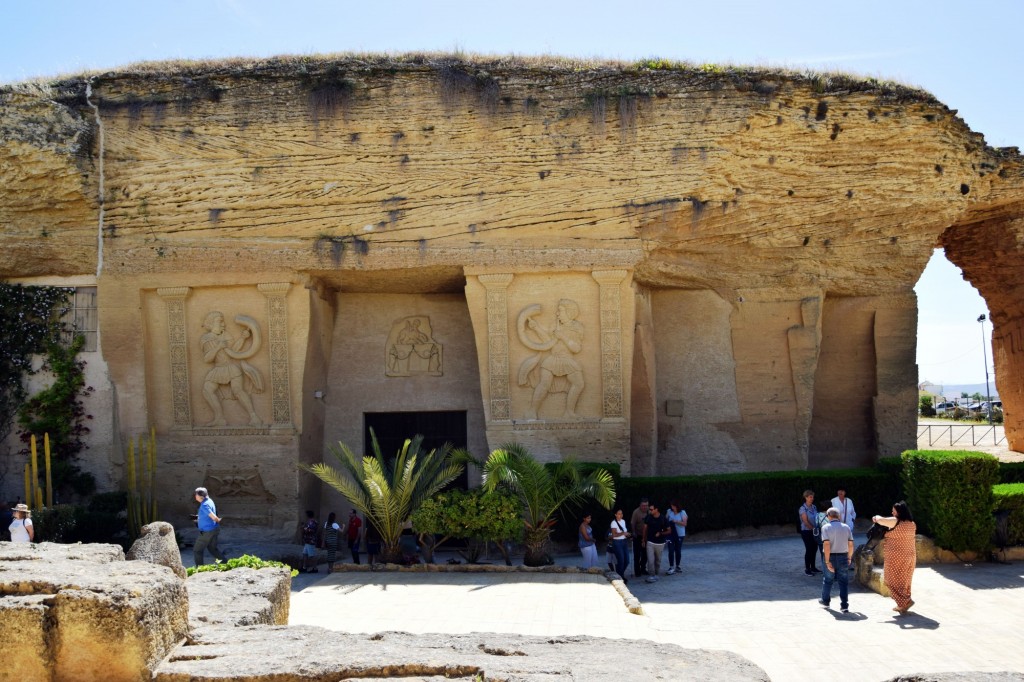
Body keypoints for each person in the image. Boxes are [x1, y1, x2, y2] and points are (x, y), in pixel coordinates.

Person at [200, 311, 264, 427]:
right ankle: (219, 418)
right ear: (211, 323)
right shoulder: (206, 339)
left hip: (231, 368)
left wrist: (243, 338)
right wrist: (218, 347)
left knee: (238, 391)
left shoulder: (225, 335)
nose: (223, 324)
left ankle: (254, 417)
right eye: (220, 322)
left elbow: (233, 351)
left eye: (223, 321)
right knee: (207, 390)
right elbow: (207, 359)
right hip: (218, 369)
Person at [873, 500, 918, 614]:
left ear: (899, 512)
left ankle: (905, 601)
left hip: (896, 556)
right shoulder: (912, 523)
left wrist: (876, 517)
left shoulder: (895, 521)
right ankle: (902, 604)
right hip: (910, 555)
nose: (892, 513)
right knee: (905, 580)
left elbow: (880, 519)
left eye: (893, 511)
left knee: (890, 579)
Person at [818, 507, 855, 613]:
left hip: (831, 557)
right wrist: (849, 557)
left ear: (829, 516)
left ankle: (825, 601)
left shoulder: (825, 527)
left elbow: (826, 544)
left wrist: (827, 561)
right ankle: (844, 605)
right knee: (843, 582)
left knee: (828, 580)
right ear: (838, 516)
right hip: (843, 556)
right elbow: (851, 544)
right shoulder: (846, 527)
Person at [193, 487, 226, 566]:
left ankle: (200, 569)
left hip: (207, 531)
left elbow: (213, 516)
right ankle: (225, 562)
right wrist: (199, 518)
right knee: (212, 548)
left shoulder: (204, 505)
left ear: (201, 496)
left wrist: (217, 519)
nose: (195, 496)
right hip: (214, 528)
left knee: (197, 550)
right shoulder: (209, 500)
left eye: (196, 495)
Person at [643, 503, 672, 582]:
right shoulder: (648, 517)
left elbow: (669, 530)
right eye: (650, 509)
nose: (650, 511)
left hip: (660, 543)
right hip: (650, 542)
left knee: (658, 560)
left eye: (651, 509)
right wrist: (643, 539)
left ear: (656, 509)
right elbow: (645, 528)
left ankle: (656, 574)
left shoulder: (663, 519)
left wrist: (661, 533)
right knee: (650, 560)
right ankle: (651, 575)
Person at [798, 490, 821, 576]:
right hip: (806, 532)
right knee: (809, 549)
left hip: (814, 531)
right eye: (810, 497)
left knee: (814, 549)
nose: (812, 498)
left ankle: (813, 567)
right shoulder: (802, 508)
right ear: (806, 497)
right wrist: (814, 529)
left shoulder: (814, 507)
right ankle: (807, 569)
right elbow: (805, 521)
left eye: (813, 497)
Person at [666, 500, 688, 575]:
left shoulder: (682, 512)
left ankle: (678, 566)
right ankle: (671, 566)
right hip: (670, 534)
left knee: (678, 550)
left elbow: (685, 523)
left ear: (677, 506)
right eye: (671, 506)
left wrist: (675, 521)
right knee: (671, 550)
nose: (672, 507)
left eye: (673, 506)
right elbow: (665, 521)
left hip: (680, 534)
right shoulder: (669, 511)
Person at [609, 508, 630, 582]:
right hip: (617, 543)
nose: (620, 515)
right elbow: (614, 535)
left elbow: (624, 531)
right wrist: (623, 533)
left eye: (621, 513)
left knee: (627, 560)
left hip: (624, 541)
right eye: (619, 514)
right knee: (621, 560)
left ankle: (619, 574)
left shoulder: (623, 521)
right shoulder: (613, 523)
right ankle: (620, 577)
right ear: (615, 515)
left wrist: (627, 534)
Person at [630, 498, 650, 577]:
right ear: (640, 505)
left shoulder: (649, 511)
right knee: (637, 554)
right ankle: (637, 571)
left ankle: (643, 569)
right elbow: (632, 523)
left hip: (647, 536)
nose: (645, 507)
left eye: (646, 506)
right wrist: (633, 532)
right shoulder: (636, 512)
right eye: (643, 506)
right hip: (638, 535)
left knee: (645, 554)